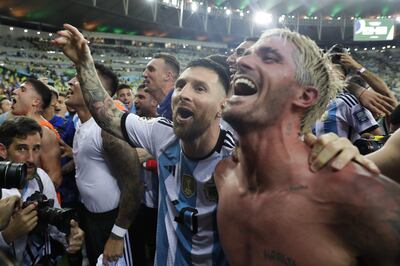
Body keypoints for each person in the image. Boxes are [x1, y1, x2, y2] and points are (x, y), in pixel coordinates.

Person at [216, 28, 400, 265]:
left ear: (305, 95)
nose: (240, 60)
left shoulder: (359, 197)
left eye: (269, 58)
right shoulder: (224, 175)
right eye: (245, 54)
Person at [53, 24, 233, 265]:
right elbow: (108, 116)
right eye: (181, 85)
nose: (184, 94)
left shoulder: (237, 156)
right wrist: (84, 62)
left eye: (200, 88)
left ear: (222, 105)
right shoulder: (162, 133)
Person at [64, 63, 141, 266]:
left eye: (79, 79)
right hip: (90, 217)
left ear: (99, 92)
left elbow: (134, 184)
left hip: (113, 221)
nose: (71, 82)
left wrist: (117, 234)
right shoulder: (79, 122)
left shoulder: (107, 130)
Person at [0, 117, 84, 264]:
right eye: (22, 148)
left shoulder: (41, 177)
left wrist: (70, 237)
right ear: (3, 150)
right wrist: (7, 235)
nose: (31, 159)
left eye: (36, 149)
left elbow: (54, 227)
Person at [6, 78, 62, 187]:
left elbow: (55, 177)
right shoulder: (18, 125)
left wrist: (33, 199)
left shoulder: (44, 132)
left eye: (22, 90)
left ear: (35, 101)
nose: (14, 91)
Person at [143, 53, 180, 120]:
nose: (144, 74)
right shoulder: (164, 108)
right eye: (145, 70)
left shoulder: (179, 106)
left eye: (151, 69)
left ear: (168, 76)